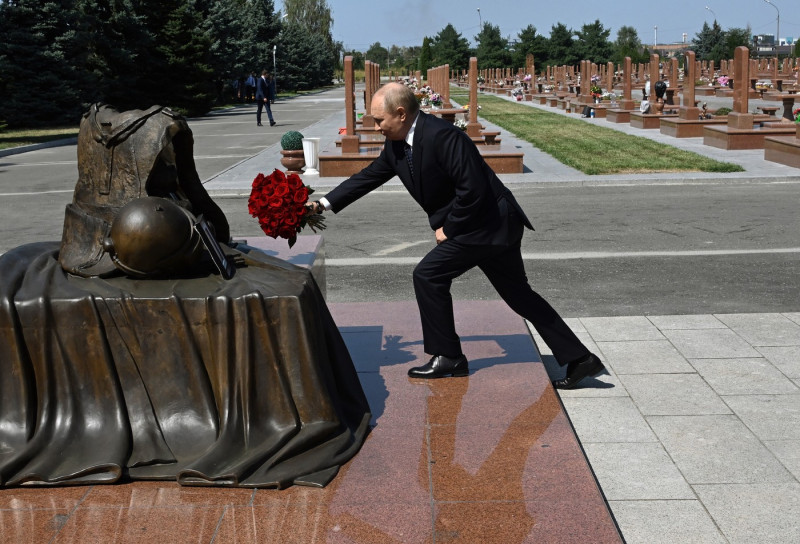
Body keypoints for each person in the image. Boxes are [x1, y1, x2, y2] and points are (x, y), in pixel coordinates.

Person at [309, 82, 604, 389]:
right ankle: (581, 359)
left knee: (428, 275)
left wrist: (449, 228)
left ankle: (448, 356)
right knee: (519, 295)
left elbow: (472, 189)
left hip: (488, 223)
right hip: (487, 225)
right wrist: (323, 204)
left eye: (379, 120)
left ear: (400, 113)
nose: (376, 126)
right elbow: (369, 176)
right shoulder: (397, 143)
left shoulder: (443, 136)